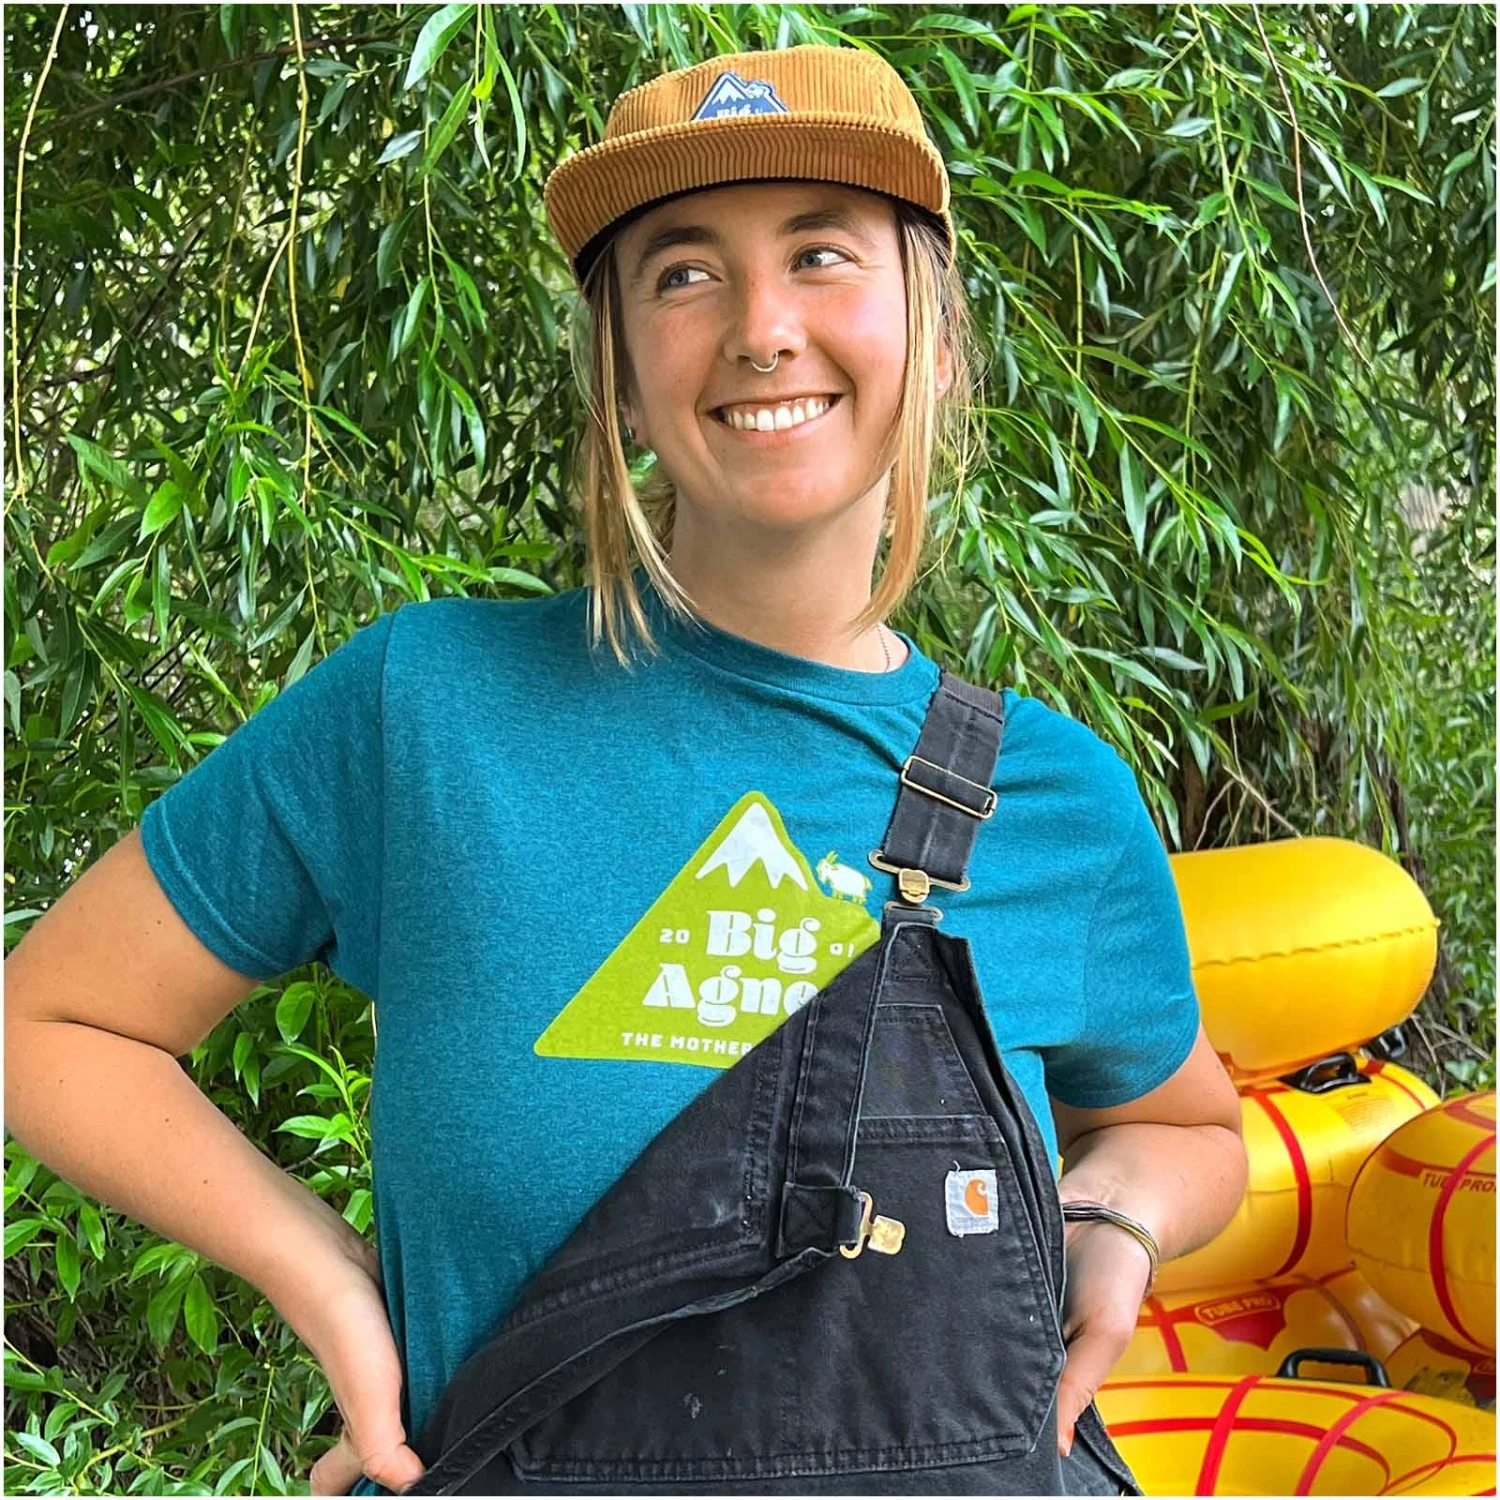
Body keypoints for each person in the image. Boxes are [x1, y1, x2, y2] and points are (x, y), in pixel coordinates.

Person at [4, 42, 1248, 1499]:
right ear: (620, 374)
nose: (762, 328)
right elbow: (49, 1021)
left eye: (822, 254)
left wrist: (1115, 1216)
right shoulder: (425, 711)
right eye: (684, 273)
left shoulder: (1057, 799)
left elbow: (1184, 1125)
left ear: (931, 328)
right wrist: (324, 1273)